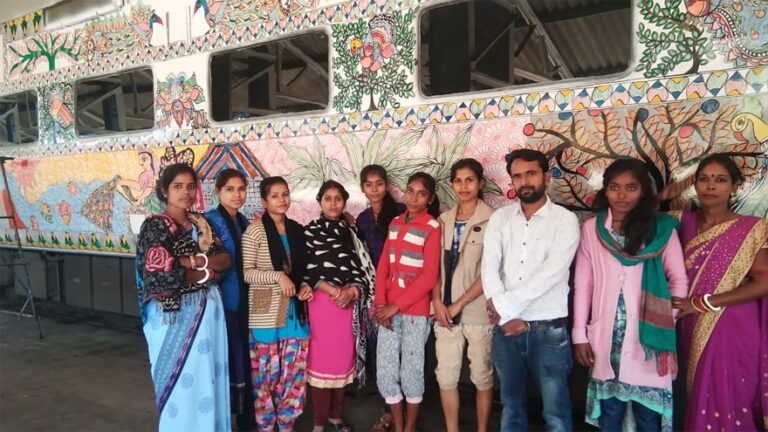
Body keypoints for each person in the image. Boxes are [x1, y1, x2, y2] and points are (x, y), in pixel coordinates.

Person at [572, 159, 688, 431]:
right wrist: (580, 335)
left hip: (649, 341)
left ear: (644, 192)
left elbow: (678, 279)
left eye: (631, 187)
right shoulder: (592, 228)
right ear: (606, 191)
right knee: (610, 415)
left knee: (648, 418)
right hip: (606, 337)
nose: (622, 195)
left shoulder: (661, 229)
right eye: (615, 187)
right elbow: (583, 283)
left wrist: (664, 319)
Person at [481, 148, 579, 432]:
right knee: (511, 407)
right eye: (517, 176)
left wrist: (504, 307)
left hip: (548, 332)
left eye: (531, 174)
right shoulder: (500, 219)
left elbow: (552, 273)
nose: (524, 182)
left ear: (546, 177)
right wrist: (505, 316)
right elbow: (489, 267)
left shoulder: (565, 220)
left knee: (556, 414)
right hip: (505, 331)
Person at [670, 154, 768, 431]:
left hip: (734, 323)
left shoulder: (754, 227)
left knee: (732, 398)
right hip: (689, 322)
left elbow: (764, 282)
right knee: (697, 393)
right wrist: (671, 190)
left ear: (735, 186)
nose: (710, 186)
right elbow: (634, 215)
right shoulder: (680, 221)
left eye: (720, 180)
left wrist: (703, 303)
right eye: (703, 179)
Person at [135, 162, 232, 432]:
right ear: (164, 191)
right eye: (178, 186)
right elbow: (159, 276)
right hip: (174, 319)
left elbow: (225, 260)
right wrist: (205, 273)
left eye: (191, 186)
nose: (186, 192)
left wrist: (190, 261)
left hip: (209, 317)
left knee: (206, 379)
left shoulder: (201, 223)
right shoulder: (155, 227)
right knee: (181, 385)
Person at [241, 176, 314, 432]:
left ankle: (287, 423)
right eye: (275, 195)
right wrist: (277, 276)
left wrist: (305, 285)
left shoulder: (297, 229)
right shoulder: (254, 231)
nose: (282, 200)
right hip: (265, 314)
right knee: (265, 377)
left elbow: (304, 270)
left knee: (293, 375)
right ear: (264, 200)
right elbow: (247, 273)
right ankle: (266, 426)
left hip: (295, 314)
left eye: (285, 194)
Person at [304, 180, 377, 432]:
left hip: (347, 307)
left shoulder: (352, 233)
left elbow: (363, 270)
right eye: (328, 198)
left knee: (340, 363)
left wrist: (353, 291)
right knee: (321, 365)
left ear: (344, 202)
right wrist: (334, 290)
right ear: (319, 202)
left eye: (338, 198)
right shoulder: (309, 232)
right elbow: (304, 270)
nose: (333, 203)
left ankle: (336, 416)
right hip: (321, 305)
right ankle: (319, 422)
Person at [374, 172, 441, 432]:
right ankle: (399, 425)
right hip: (387, 310)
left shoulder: (432, 226)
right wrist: (381, 304)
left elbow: (428, 277)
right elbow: (383, 268)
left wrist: (395, 306)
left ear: (430, 198)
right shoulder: (395, 222)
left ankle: (410, 427)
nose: (413, 198)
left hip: (415, 312)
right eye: (409, 190)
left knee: (411, 371)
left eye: (421, 193)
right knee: (386, 371)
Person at [432, 159, 494, 432]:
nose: (464, 186)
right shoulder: (443, 220)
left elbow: (490, 272)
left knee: (481, 376)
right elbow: (433, 267)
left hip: (476, 310)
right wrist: (436, 301)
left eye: (470, 180)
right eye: (458, 180)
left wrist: (459, 303)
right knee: (446, 377)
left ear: (480, 183)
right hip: (444, 312)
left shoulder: (493, 219)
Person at [204, 168, 255, 430]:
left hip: (245, 304)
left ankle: (246, 422)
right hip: (224, 306)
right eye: (230, 189)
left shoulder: (244, 222)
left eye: (241, 189)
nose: (237, 195)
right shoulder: (208, 222)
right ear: (218, 192)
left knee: (244, 361)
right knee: (228, 362)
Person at [355, 164, 405, 432]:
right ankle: (387, 409)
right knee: (378, 355)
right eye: (368, 184)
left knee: (401, 355)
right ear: (363, 187)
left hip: (399, 293)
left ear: (386, 185)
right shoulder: (362, 219)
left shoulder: (399, 213)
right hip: (374, 296)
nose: (374, 189)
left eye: (379, 183)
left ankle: (404, 410)